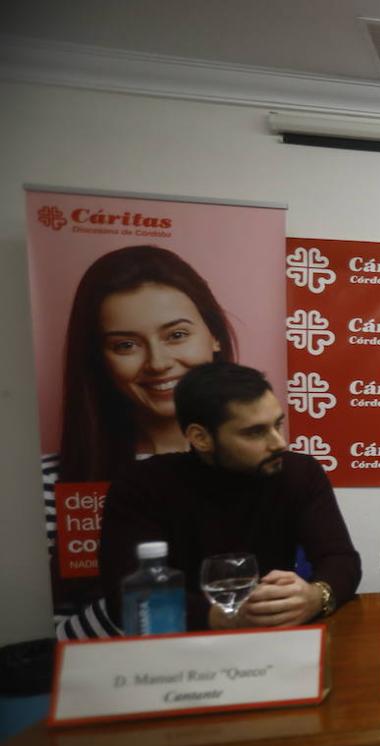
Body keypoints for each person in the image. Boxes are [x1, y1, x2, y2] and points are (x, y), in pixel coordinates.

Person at [48, 245, 238, 636]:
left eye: (177, 335)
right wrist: (151, 604)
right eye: (125, 345)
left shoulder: (265, 464)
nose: (157, 362)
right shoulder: (55, 482)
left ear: (214, 336)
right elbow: (51, 641)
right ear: (99, 359)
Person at [98, 363, 361, 631]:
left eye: (278, 425)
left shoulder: (299, 472)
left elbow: (341, 559)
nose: (279, 443)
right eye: (256, 432)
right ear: (200, 438)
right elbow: (126, 597)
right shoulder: (141, 485)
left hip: (273, 643)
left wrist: (316, 596)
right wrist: (223, 617)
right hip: (176, 650)